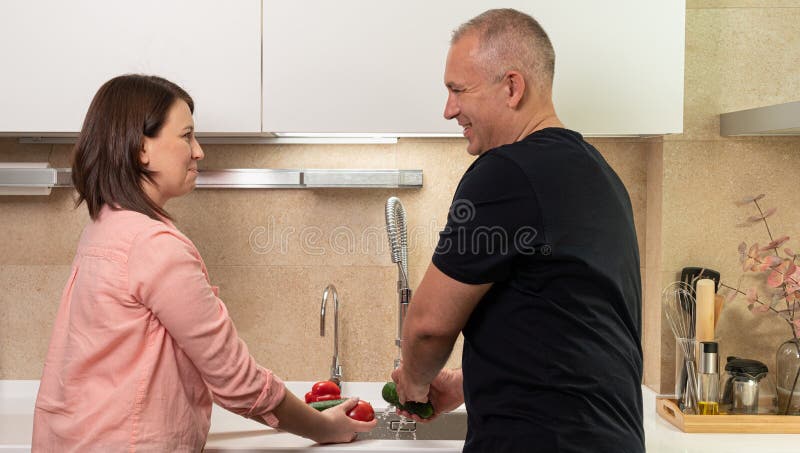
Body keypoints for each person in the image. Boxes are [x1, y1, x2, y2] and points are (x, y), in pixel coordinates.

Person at [32, 74, 376, 452]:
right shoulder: (155, 247)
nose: (198, 151)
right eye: (186, 136)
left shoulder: (104, 228)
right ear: (141, 148)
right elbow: (238, 381)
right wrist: (324, 428)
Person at [391, 9, 644, 453]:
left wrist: (414, 381)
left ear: (511, 87)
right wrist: (470, 384)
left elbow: (428, 327)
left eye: (457, 90)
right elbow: (573, 331)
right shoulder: (600, 175)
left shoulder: (504, 173)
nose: (448, 110)